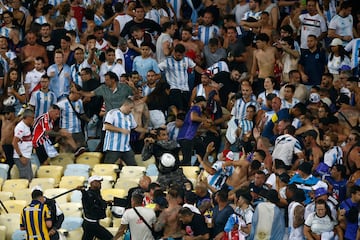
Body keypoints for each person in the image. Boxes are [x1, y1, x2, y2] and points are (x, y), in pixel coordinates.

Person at [103, 98, 149, 165]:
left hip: (125, 147)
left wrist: (148, 131)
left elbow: (135, 128)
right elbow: (106, 126)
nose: (131, 110)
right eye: (130, 108)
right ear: (125, 105)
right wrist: (121, 130)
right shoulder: (112, 113)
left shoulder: (130, 116)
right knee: (108, 166)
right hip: (113, 147)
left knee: (133, 166)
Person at [80, 175, 113, 240]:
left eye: (100, 182)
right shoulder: (88, 194)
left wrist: (106, 202)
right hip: (91, 224)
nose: (100, 183)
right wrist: (83, 191)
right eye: (98, 182)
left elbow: (98, 202)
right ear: (92, 183)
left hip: (90, 223)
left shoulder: (96, 192)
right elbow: (91, 203)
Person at [12, 109, 34, 180]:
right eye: (32, 118)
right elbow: (14, 142)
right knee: (26, 179)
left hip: (26, 156)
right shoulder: (21, 127)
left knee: (30, 178)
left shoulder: (27, 127)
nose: (33, 120)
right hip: (22, 157)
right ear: (28, 117)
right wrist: (21, 156)